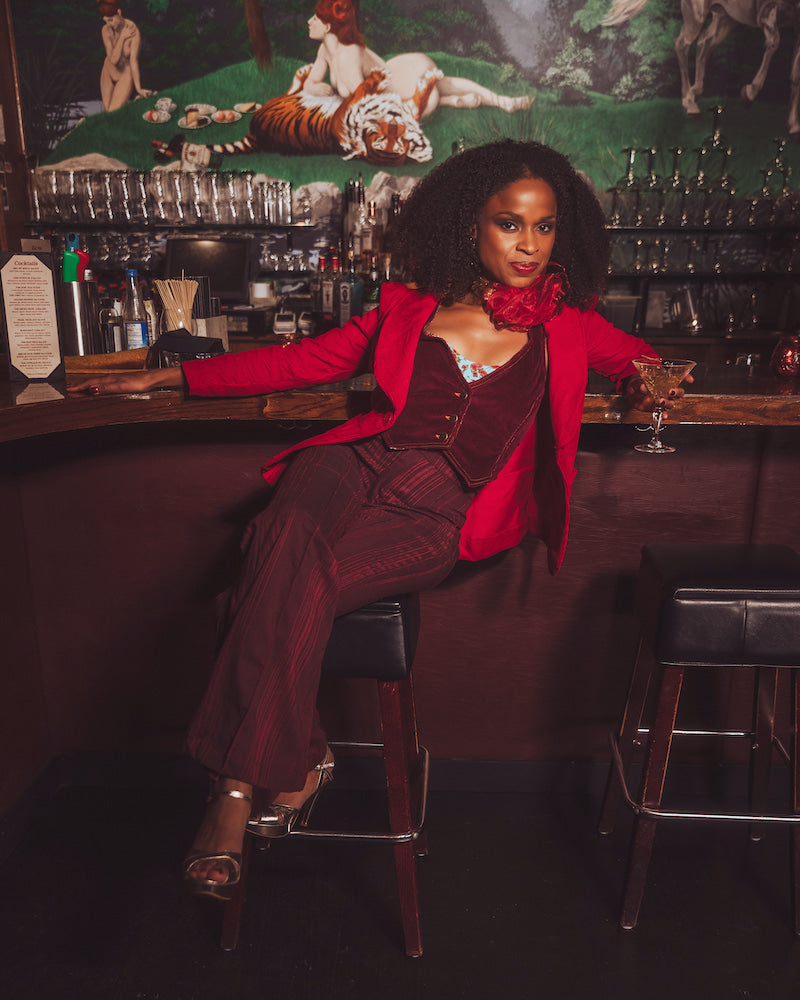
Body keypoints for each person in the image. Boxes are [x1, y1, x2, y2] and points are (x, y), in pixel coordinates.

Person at [68, 139, 691, 901]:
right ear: (471, 228)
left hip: (437, 509)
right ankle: (237, 790)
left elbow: (645, 362)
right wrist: (172, 375)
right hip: (347, 467)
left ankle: (282, 762)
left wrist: (642, 386)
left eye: (544, 227)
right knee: (285, 534)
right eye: (509, 224)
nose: (529, 245)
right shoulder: (409, 309)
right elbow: (298, 361)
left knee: (273, 572)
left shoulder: (569, 324)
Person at [303, 0, 531, 117]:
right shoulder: (325, 50)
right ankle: (467, 101)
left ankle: (501, 101)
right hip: (397, 78)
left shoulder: (349, 53)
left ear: (328, 26)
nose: (309, 21)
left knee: (441, 84)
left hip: (405, 84)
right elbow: (311, 82)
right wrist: (314, 88)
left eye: (315, 18)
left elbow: (367, 103)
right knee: (444, 84)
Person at [98, 2, 152, 112]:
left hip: (124, 75)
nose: (109, 24)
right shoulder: (105, 30)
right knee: (106, 111)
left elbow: (133, 61)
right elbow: (113, 60)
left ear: (119, 12)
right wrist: (122, 37)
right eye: (106, 21)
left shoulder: (133, 31)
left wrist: (138, 89)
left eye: (111, 20)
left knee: (112, 113)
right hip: (108, 71)